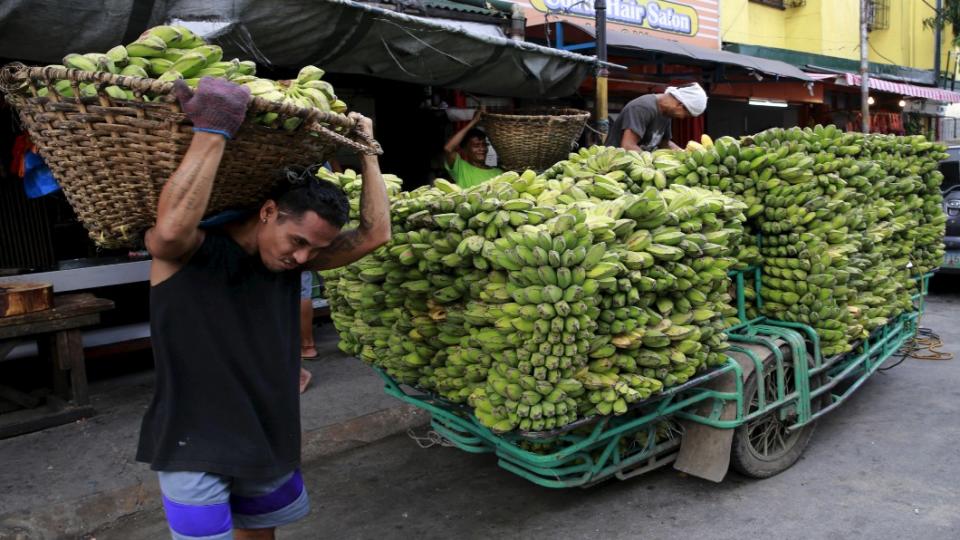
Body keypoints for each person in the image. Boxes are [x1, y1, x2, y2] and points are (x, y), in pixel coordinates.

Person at [137, 77, 390, 540]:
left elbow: (374, 235)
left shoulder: (289, 265)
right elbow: (169, 233)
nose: (302, 259)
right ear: (269, 211)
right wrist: (214, 128)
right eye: (298, 242)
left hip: (270, 435)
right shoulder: (192, 250)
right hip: (193, 439)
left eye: (314, 251)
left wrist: (368, 151)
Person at [606, 83, 708, 151]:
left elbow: (664, 143)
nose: (682, 118)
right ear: (680, 105)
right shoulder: (643, 108)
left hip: (642, 167)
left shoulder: (666, 113)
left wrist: (685, 155)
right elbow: (628, 146)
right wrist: (654, 165)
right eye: (686, 114)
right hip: (616, 166)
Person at [443, 108, 503, 188]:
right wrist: (474, 121)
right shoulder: (461, 168)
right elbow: (448, 148)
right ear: (465, 149)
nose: (482, 149)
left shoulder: (498, 173)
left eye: (484, 145)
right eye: (476, 145)